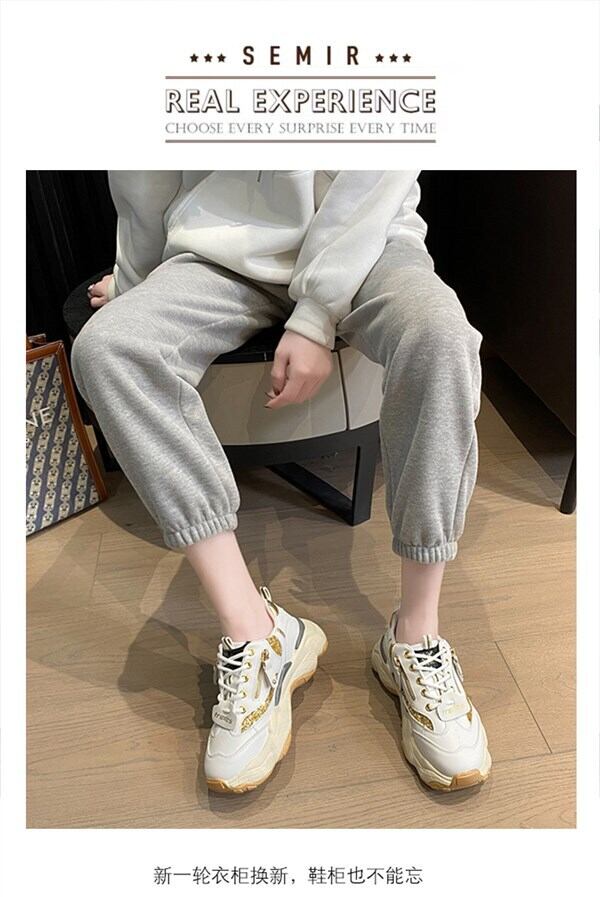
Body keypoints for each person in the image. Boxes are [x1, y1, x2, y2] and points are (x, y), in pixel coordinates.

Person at [71, 170, 492, 795]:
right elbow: (143, 178)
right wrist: (135, 284)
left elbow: (379, 166)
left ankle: (415, 636)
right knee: (109, 348)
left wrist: (317, 314)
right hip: (223, 252)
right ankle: (258, 632)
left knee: (442, 338)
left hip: (370, 244)